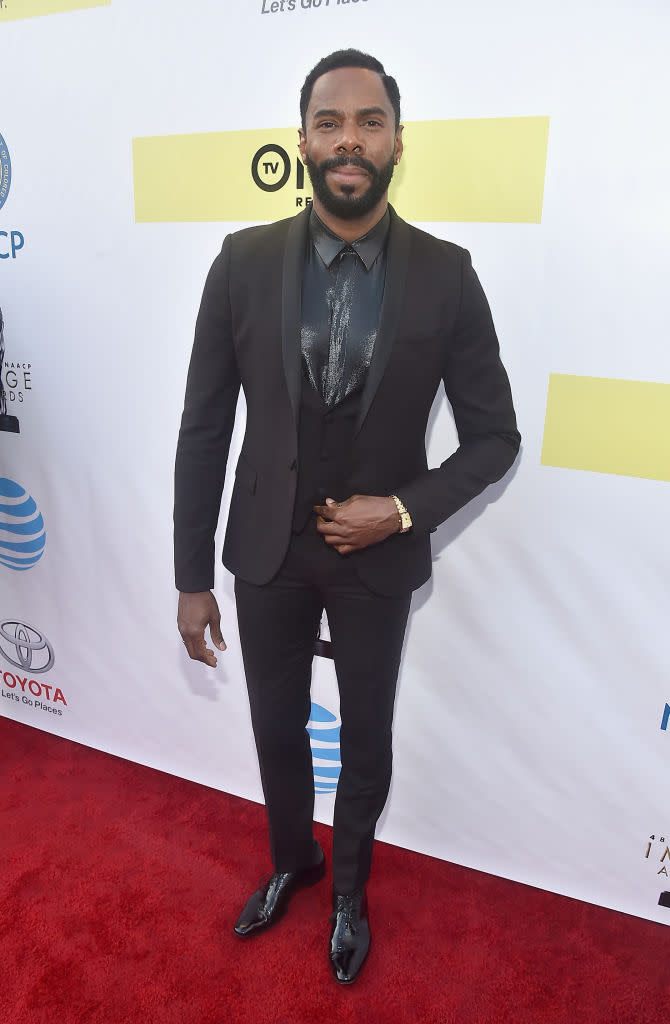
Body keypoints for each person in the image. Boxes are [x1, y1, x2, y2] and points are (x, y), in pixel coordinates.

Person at [174, 49, 520, 985]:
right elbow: (206, 425)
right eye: (330, 123)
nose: (349, 141)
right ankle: (294, 859)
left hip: (379, 563)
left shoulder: (448, 276)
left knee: (366, 735)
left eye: (370, 122)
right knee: (275, 726)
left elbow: (496, 440)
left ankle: (350, 892)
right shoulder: (240, 262)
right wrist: (191, 576)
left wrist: (404, 509)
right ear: (302, 143)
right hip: (265, 553)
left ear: (398, 142)